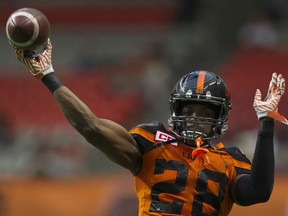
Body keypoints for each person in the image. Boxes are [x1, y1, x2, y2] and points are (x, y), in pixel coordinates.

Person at [11, 39, 286, 216]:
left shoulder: (230, 160)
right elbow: (90, 126)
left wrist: (265, 122)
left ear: (221, 116)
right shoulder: (151, 140)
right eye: (188, 109)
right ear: (175, 110)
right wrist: (49, 76)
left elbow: (258, 192)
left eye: (205, 112)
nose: (194, 118)